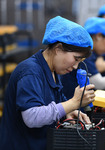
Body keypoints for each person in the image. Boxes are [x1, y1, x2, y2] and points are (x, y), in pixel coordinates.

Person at [0, 16, 95, 150]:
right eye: (76, 59)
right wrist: (72, 103)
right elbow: (31, 117)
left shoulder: (53, 71)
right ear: (58, 49)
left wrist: (68, 112)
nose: (75, 67)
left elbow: (56, 103)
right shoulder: (30, 72)